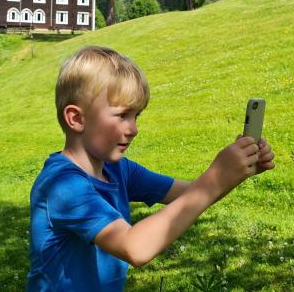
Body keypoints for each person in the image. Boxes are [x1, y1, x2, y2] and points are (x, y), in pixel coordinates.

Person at [27, 46, 276, 291]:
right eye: (123, 115)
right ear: (77, 119)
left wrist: (236, 172)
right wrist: (216, 177)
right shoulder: (63, 185)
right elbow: (134, 248)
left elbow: (191, 196)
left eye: (137, 116)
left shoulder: (118, 170)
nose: (134, 129)